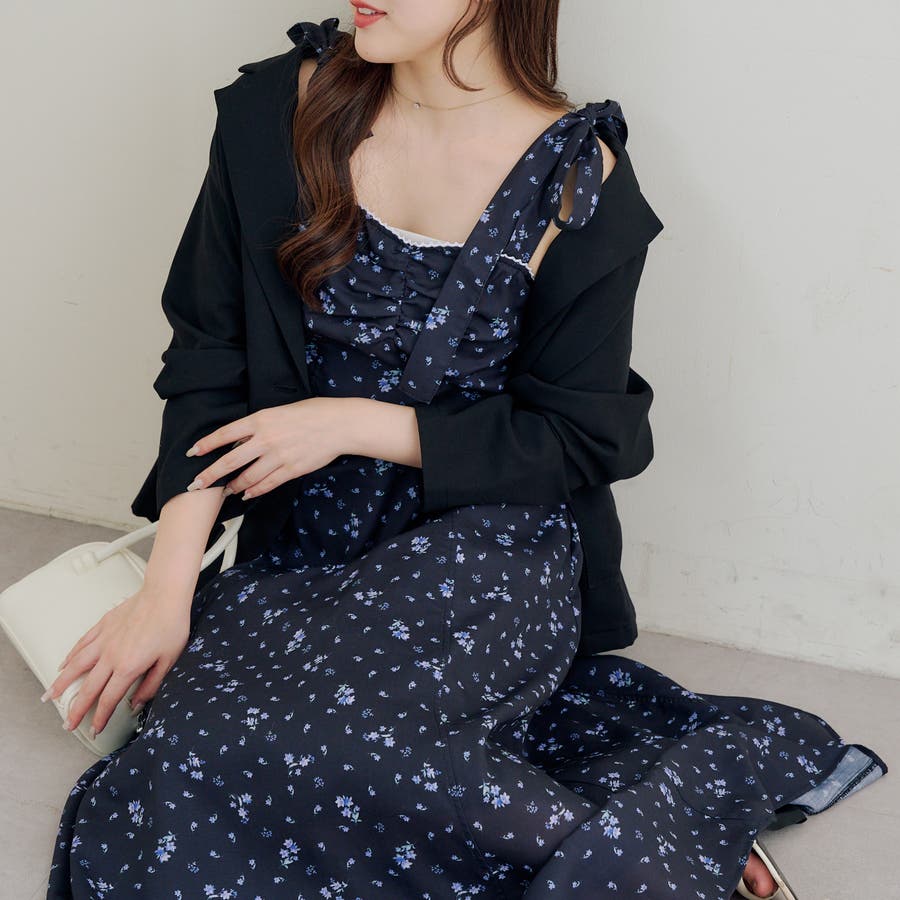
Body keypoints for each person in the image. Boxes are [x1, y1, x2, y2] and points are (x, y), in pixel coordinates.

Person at [44, 5, 887, 898]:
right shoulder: (277, 110)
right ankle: (622, 840)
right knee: (194, 754)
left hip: (488, 543)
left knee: (351, 751)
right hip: (307, 540)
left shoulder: (575, 176)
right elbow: (208, 357)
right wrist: (166, 591)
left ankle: (645, 862)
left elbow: (578, 435)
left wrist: (349, 423)